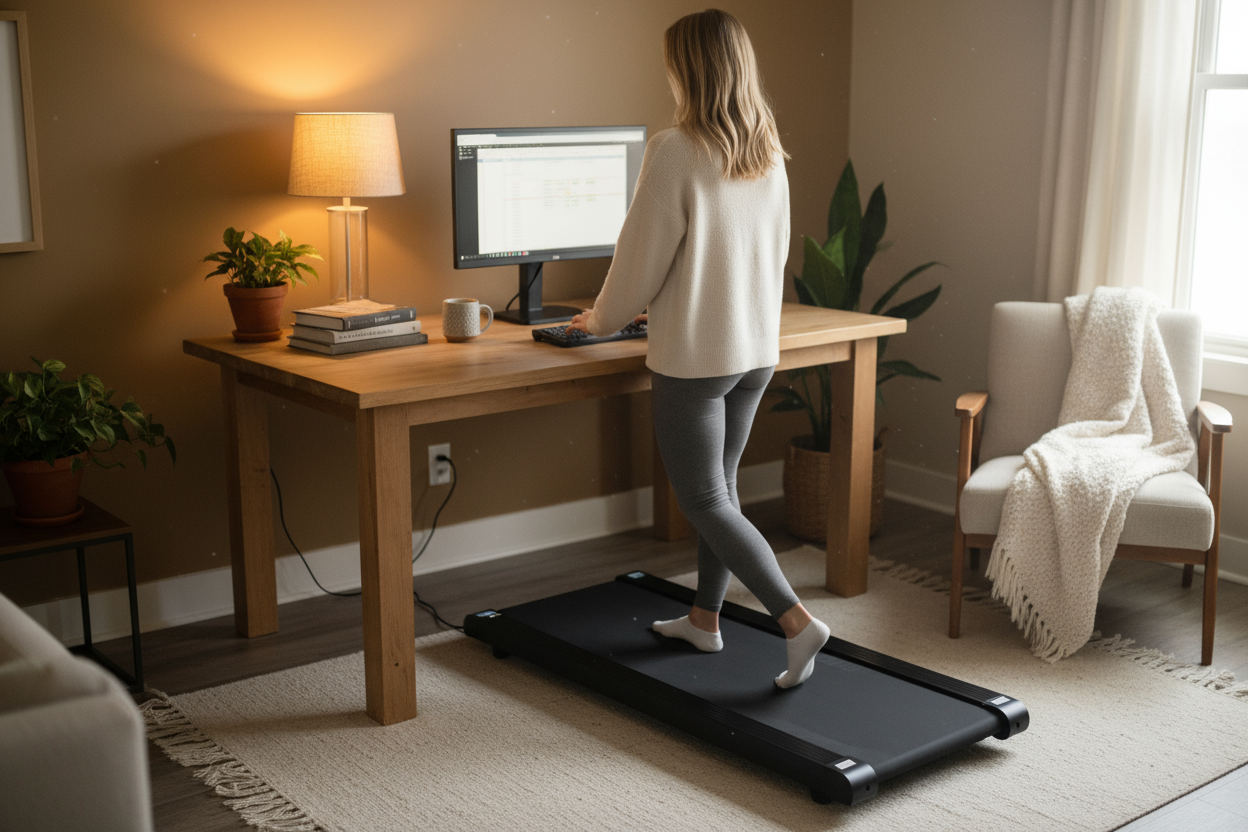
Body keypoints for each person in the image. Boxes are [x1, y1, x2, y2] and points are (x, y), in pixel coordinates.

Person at [566, 8, 830, 689]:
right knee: (724, 492)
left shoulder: (676, 148)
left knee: (706, 499)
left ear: (684, 69)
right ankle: (704, 620)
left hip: (697, 359)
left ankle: (796, 622)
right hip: (754, 350)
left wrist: (600, 320)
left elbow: (639, 257)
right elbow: (757, 251)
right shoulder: (765, 150)